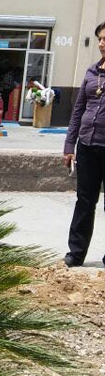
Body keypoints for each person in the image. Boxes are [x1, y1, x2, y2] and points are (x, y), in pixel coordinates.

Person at [63, 20, 105, 267]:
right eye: (99, 38)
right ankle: (76, 253)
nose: (101, 43)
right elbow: (78, 111)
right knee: (85, 201)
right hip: (87, 146)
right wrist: (69, 146)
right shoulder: (92, 73)